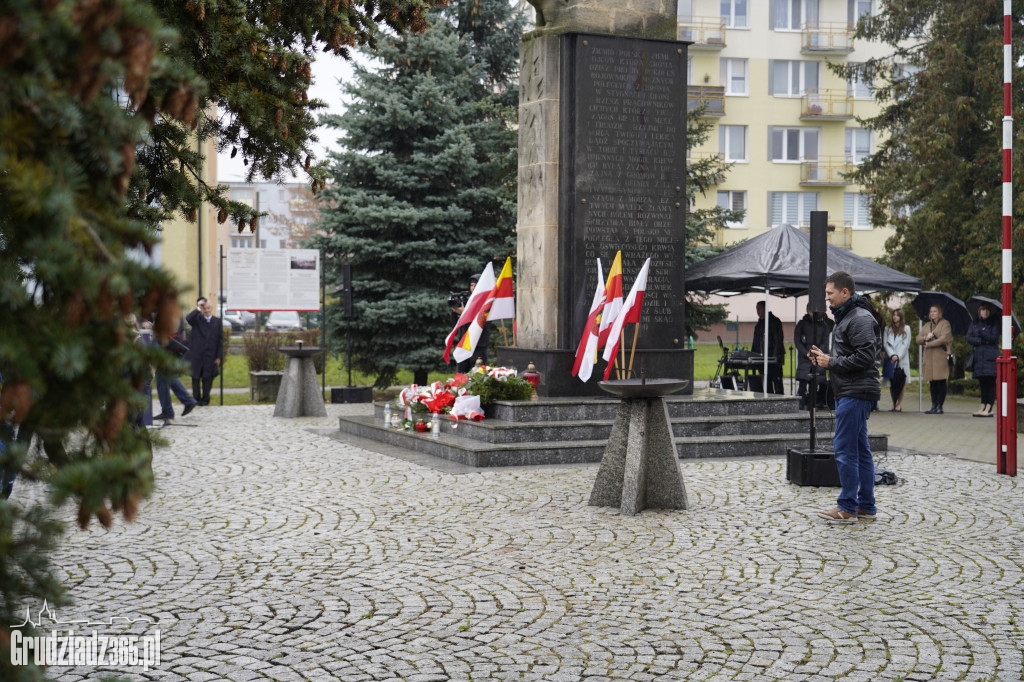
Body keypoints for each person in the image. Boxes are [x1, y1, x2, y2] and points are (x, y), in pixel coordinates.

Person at [809, 271, 881, 525]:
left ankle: (847, 506)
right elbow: (853, 354)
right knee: (860, 450)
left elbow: (866, 357)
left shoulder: (859, 318)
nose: (826, 298)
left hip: (856, 392)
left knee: (845, 448)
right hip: (852, 390)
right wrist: (825, 359)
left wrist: (832, 362)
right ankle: (866, 506)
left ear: (845, 293)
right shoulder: (848, 316)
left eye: (830, 293)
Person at [154, 315, 198, 420]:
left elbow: (171, 330)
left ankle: (188, 401)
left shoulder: (171, 310)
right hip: (167, 347)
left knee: (169, 376)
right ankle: (167, 411)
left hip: (169, 349)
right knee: (161, 381)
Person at [185, 297, 223, 406]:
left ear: (211, 308)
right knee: (195, 377)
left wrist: (218, 356)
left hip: (210, 355)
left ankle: (205, 399)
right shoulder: (197, 319)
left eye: (208, 308)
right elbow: (188, 319)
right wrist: (198, 308)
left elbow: (220, 340)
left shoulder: (217, 321)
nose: (206, 311)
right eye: (204, 309)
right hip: (197, 354)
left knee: (207, 378)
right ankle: (196, 399)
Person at [916, 304, 952, 414]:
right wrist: (926, 337)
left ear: (939, 313)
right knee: (932, 383)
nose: (932, 313)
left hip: (940, 357)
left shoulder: (945, 324)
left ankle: (940, 406)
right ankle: (933, 405)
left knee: (940, 382)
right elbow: (918, 339)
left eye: (935, 311)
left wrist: (929, 343)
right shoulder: (927, 325)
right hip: (929, 358)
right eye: (931, 311)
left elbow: (943, 339)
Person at [794, 304, 831, 410]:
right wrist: (806, 353)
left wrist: (817, 353)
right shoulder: (802, 324)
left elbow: (825, 342)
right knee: (803, 383)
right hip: (805, 358)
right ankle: (800, 404)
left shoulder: (824, 325)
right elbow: (798, 341)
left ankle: (812, 405)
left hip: (817, 357)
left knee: (815, 383)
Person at [966, 303, 999, 417]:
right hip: (979, 357)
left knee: (990, 383)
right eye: (983, 310)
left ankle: (989, 407)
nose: (985, 312)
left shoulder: (994, 323)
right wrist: (982, 340)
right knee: (982, 383)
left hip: (990, 357)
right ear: (979, 311)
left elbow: (993, 338)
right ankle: (983, 405)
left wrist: (983, 333)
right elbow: (969, 338)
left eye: (987, 310)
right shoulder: (974, 323)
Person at [751, 300, 785, 394]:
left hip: (773, 358)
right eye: (756, 309)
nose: (757, 311)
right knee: (766, 382)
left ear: (765, 309)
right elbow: (756, 340)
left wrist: (774, 356)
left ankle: (780, 402)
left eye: (759, 309)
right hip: (761, 359)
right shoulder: (759, 323)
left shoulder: (774, 321)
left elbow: (778, 339)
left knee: (777, 382)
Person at [883, 309, 912, 412]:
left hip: (902, 359)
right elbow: (885, 343)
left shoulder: (906, 328)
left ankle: (899, 404)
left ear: (901, 317)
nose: (895, 317)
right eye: (894, 315)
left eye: (897, 315)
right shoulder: (888, 329)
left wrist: (897, 356)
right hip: (891, 359)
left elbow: (906, 344)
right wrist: (892, 355)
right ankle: (893, 403)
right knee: (891, 381)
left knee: (901, 381)